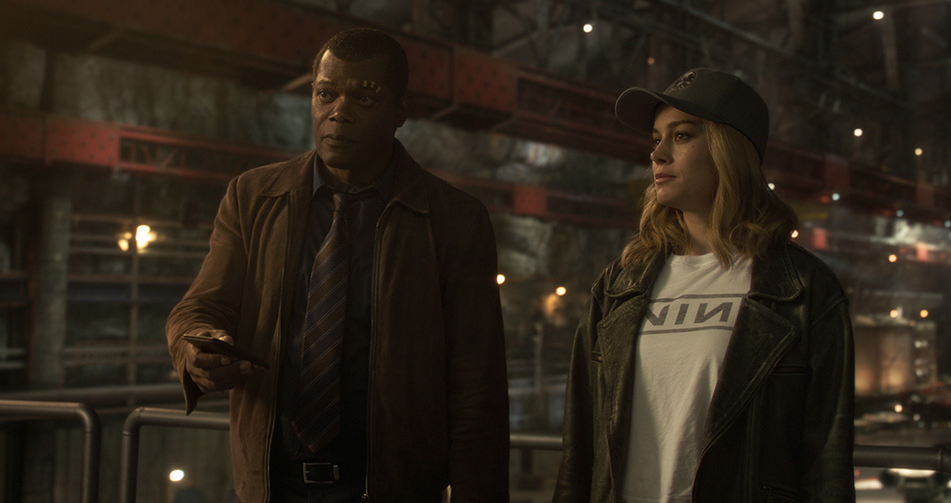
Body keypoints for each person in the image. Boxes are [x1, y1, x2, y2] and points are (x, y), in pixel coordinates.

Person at [166, 28, 509, 503]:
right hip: (272, 487)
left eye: (364, 98)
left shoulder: (454, 220)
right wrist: (198, 350)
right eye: (326, 94)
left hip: (391, 490)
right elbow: (199, 308)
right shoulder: (253, 197)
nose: (338, 112)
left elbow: (477, 386)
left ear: (400, 112)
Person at [553, 68, 854, 502]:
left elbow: (826, 464)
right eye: (656, 138)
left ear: (730, 150)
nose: (658, 154)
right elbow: (579, 449)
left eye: (681, 136)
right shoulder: (619, 285)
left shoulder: (803, 290)